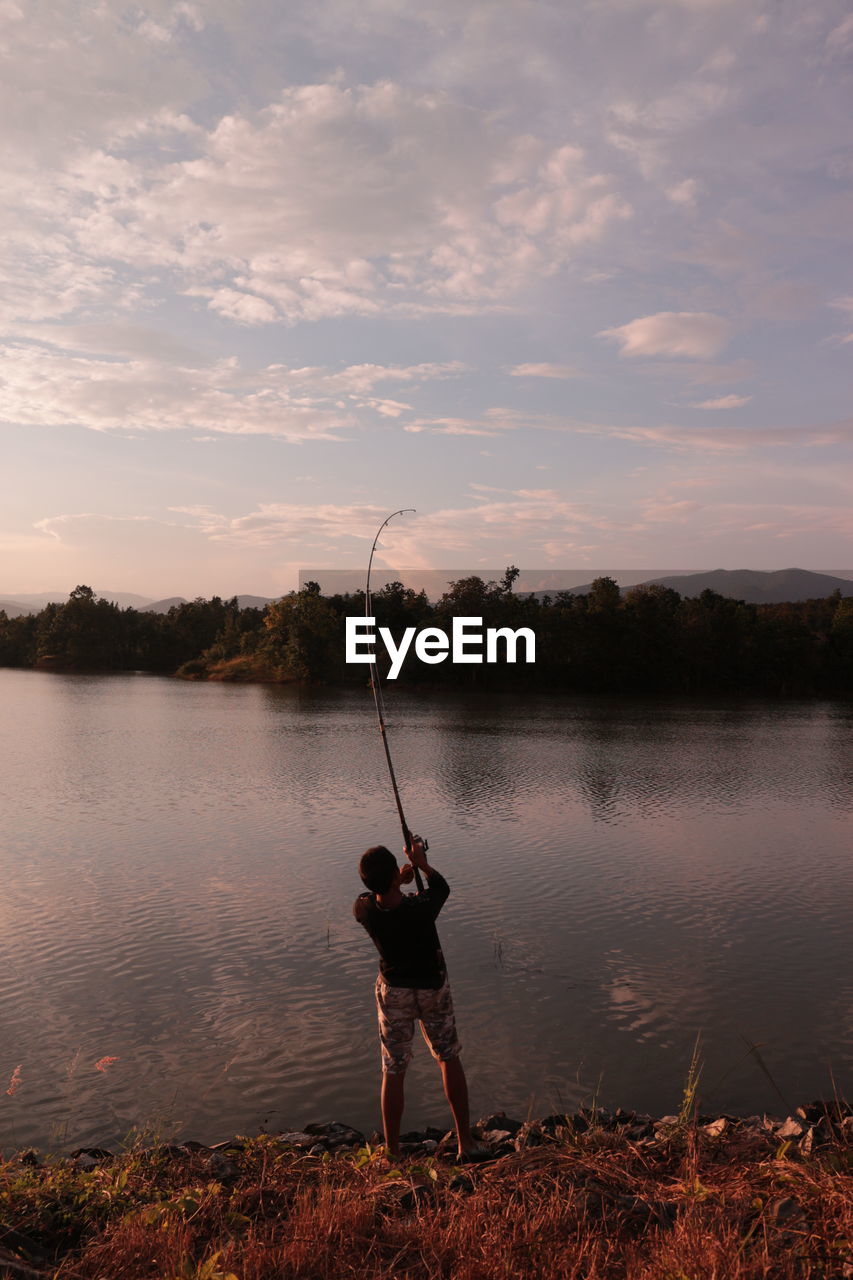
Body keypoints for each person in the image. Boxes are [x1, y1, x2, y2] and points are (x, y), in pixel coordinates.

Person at [353, 836, 484, 1160]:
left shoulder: (364, 909)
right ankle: (465, 1143)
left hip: (393, 991)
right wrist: (421, 863)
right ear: (395, 878)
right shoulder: (420, 909)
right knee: (447, 1057)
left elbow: (377, 897)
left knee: (394, 1068)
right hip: (430, 988)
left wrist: (398, 878)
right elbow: (440, 888)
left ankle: (393, 1152)